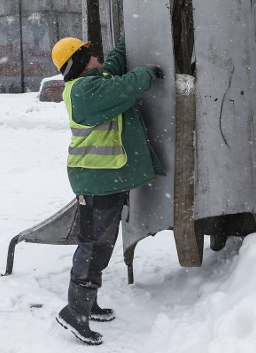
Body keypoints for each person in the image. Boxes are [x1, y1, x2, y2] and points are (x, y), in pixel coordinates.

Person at [50, 36, 165, 346]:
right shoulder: (84, 91)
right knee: (91, 245)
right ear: (80, 61)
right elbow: (124, 88)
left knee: (102, 244)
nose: (96, 56)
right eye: (90, 54)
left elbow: (113, 66)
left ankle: (89, 303)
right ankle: (74, 312)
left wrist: (132, 37)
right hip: (93, 179)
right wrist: (147, 73)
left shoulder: (93, 81)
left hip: (105, 179)